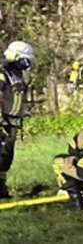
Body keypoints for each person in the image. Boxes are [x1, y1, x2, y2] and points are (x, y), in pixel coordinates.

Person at [0, 40, 34, 199]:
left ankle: (1, 187)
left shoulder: (17, 74)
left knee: (7, 156)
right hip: (3, 121)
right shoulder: (3, 72)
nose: (28, 64)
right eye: (26, 60)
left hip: (13, 122)